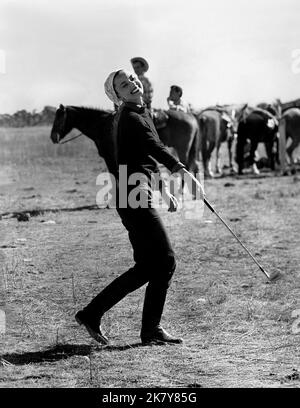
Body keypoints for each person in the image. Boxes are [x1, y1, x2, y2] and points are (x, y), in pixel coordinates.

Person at [75, 69, 205, 345]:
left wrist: (164, 188)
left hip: (133, 192)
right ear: (117, 95)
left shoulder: (138, 111)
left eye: (131, 80)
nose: (132, 83)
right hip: (133, 195)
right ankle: (148, 329)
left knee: (148, 266)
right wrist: (183, 171)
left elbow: (145, 153)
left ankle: (94, 314)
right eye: (124, 84)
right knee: (165, 260)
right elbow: (154, 147)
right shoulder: (131, 117)